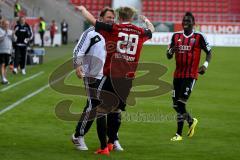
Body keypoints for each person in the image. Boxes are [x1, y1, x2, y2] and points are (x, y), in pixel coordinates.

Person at [76, 5, 154, 155]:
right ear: (132, 17)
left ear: (119, 17)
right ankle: (112, 142)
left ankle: (104, 147)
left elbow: (93, 21)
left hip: (111, 76)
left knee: (100, 110)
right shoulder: (140, 32)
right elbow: (152, 30)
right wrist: (146, 20)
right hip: (127, 80)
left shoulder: (115, 29)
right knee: (116, 110)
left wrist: (83, 10)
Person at [72, 7, 124, 152]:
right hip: (92, 76)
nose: (111, 20)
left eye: (113, 17)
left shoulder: (114, 33)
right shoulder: (90, 32)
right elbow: (78, 50)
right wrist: (77, 66)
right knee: (93, 106)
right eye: (109, 17)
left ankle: (112, 140)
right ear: (100, 18)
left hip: (109, 77)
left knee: (112, 108)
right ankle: (78, 135)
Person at [166, 12, 212, 141]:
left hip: (190, 75)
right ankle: (191, 121)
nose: (185, 22)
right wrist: (171, 51)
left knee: (180, 104)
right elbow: (168, 55)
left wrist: (205, 65)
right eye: (184, 20)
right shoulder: (176, 36)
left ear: (193, 23)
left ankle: (178, 134)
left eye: (188, 20)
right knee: (175, 105)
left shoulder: (199, 37)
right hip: (177, 75)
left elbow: (209, 52)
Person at [0, 19, 13, 84]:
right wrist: (5, 35)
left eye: (8, 24)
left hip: (8, 50)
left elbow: (14, 40)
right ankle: (3, 78)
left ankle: (4, 78)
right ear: (2, 24)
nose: (7, 25)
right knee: (2, 64)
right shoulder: (0, 31)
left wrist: (13, 36)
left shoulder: (10, 31)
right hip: (1, 50)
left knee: (6, 65)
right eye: (5, 24)